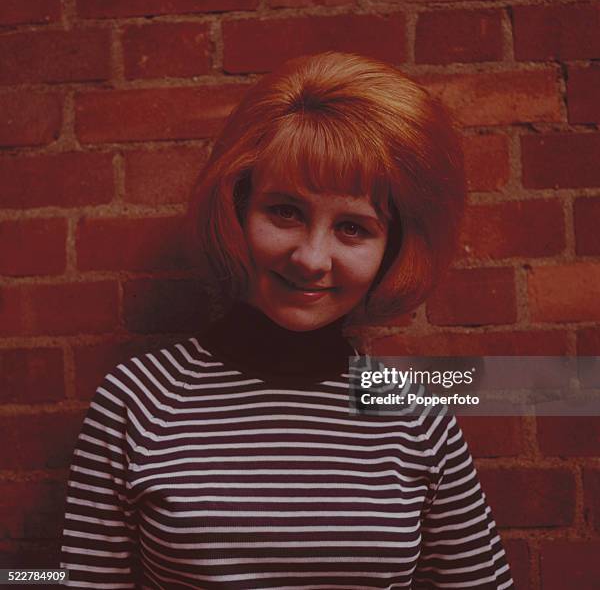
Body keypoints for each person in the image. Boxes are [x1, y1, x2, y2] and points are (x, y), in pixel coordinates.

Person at [60, 52, 513, 589]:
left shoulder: (417, 414)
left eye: (353, 228)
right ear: (237, 209)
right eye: (285, 211)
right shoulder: (135, 401)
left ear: (391, 250)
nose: (311, 258)